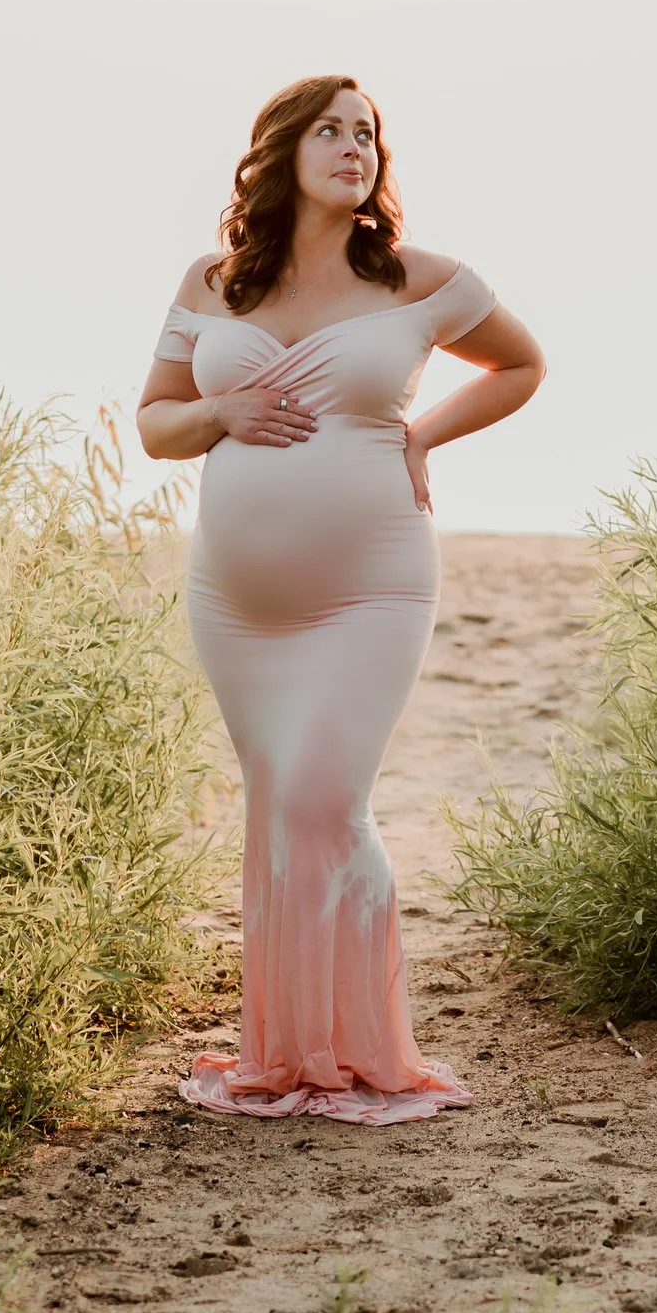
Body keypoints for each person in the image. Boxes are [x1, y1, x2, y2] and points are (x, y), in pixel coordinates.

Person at [136, 74, 545, 1124]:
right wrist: (220, 406)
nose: (354, 146)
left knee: (322, 794)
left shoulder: (418, 277)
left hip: (372, 584)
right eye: (331, 129)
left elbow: (520, 364)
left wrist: (419, 433)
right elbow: (155, 423)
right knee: (278, 803)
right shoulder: (215, 280)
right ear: (281, 150)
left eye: (367, 133)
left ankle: (362, 1050)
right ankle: (286, 1050)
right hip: (237, 601)